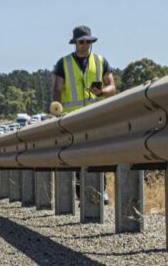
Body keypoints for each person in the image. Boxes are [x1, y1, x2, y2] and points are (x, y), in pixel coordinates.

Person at [52, 25, 116, 205]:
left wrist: (102, 91)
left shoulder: (101, 61)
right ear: (75, 43)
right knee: (79, 156)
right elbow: (57, 88)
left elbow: (112, 87)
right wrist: (57, 110)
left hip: (96, 117)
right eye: (81, 42)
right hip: (73, 118)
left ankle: (100, 191)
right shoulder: (63, 63)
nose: (85, 45)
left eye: (88, 41)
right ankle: (82, 194)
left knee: (99, 154)